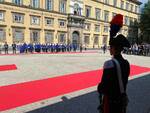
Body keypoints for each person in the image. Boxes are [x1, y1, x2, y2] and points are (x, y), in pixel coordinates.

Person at [97, 34, 130, 113]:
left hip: (111, 101)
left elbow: (103, 87)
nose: (109, 49)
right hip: (121, 99)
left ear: (114, 49)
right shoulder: (126, 63)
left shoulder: (109, 64)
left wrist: (99, 87)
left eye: (110, 47)